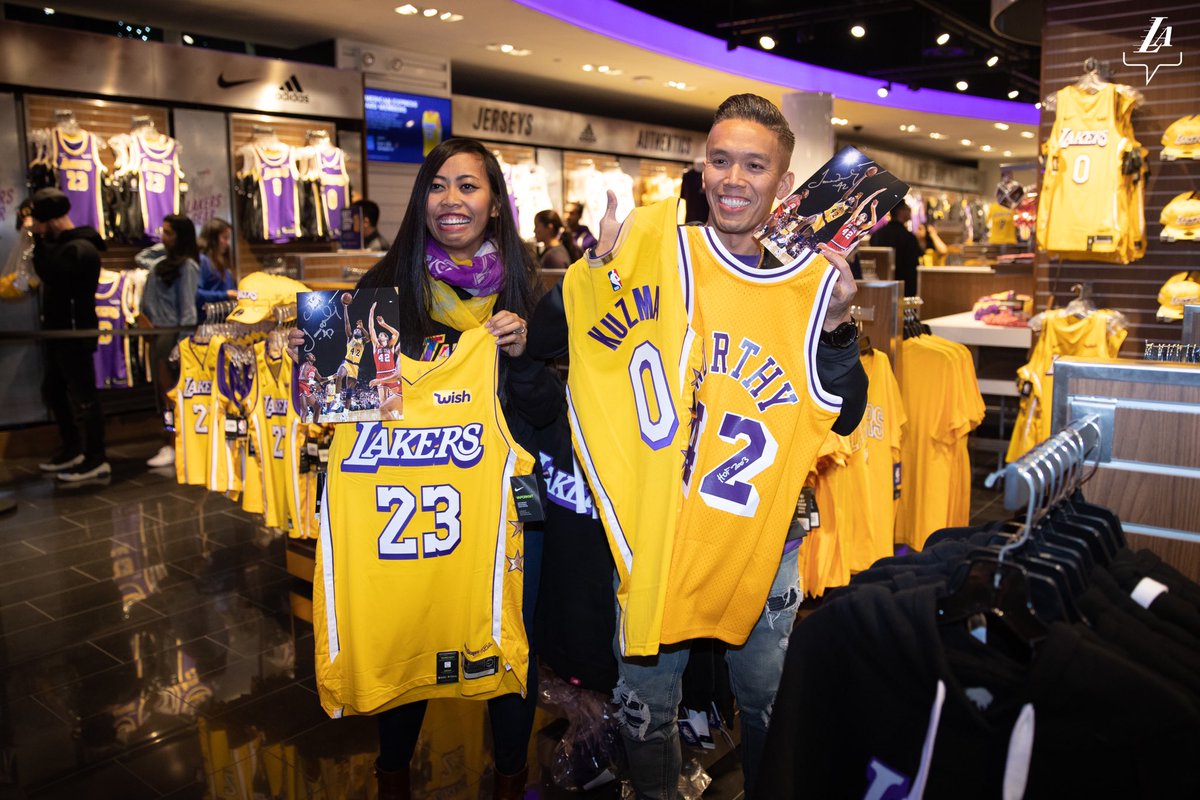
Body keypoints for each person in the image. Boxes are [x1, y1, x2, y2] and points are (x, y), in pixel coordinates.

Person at [527, 93, 867, 798]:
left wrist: (836, 327)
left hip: (762, 535)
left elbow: (845, 409)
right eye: (720, 160)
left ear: (781, 180)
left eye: (754, 165)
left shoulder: (807, 285)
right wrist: (596, 268)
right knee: (644, 703)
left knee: (768, 696)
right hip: (662, 531)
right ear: (701, 167)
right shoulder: (658, 249)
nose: (734, 179)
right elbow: (553, 339)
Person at [289, 138, 559, 800]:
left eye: (468, 186)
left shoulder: (534, 294)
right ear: (421, 199)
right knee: (412, 623)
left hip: (510, 488)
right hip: (409, 495)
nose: (451, 200)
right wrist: (311, 362)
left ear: (495, 204)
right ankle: (392, 775)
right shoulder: (383, 292)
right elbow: (339, 414)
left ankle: (510, 776)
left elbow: (553, 412)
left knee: (510, 628)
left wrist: (523, 357)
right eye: (438, 186)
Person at [30, 187, 111, 482]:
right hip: (60, 332)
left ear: (50, 222)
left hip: (75, 332)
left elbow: (53, 275)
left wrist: (38, 242)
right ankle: (74, 448)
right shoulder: (68, 247)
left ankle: (96, 456)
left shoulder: (81, 249)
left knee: (85, 395)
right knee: (53, 389)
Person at [138, 214, 201, 468]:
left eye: (169, 233)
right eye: (162, 231)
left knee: (171, 395)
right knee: (163, 395)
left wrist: (181, 344)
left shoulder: (187, 267)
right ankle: (172, 441)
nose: (163, 237)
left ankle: (175, 443)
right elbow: (140, 258)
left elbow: (188, 311)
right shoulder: (164, 262)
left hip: (172, 334)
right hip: (157, 334)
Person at [868, 202, 922, 296]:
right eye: (907, 208)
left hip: (880, 288)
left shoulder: (877, 235)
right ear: (901, 211)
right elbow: (913, 266)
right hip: (904, 289)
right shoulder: (908, 237)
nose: (910, 211)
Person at [195, 217, 236, 321]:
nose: (227, 243)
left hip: (223, 319)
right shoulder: (203, 260)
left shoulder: (222, 261)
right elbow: (196, 294)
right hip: (208, 321)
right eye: (224, 238)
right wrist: (226, 295)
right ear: (213, 238)